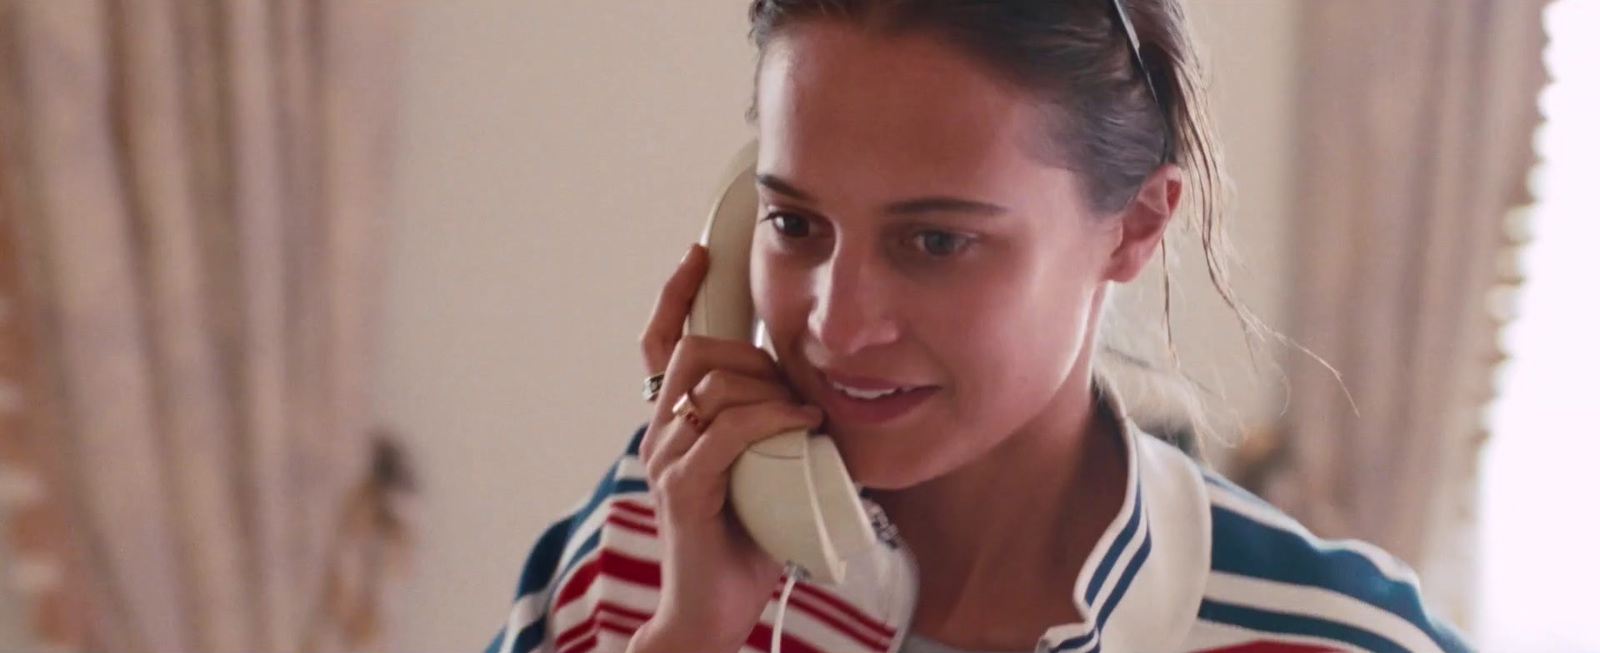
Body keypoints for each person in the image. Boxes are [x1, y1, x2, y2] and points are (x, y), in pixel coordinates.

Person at [485, 1, 1473, 652]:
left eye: (934, 241)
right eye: (793, 222)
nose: (837, 320)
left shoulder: (1338, 636)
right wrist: (691, 628)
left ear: (1132, 225)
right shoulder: (641, 540)